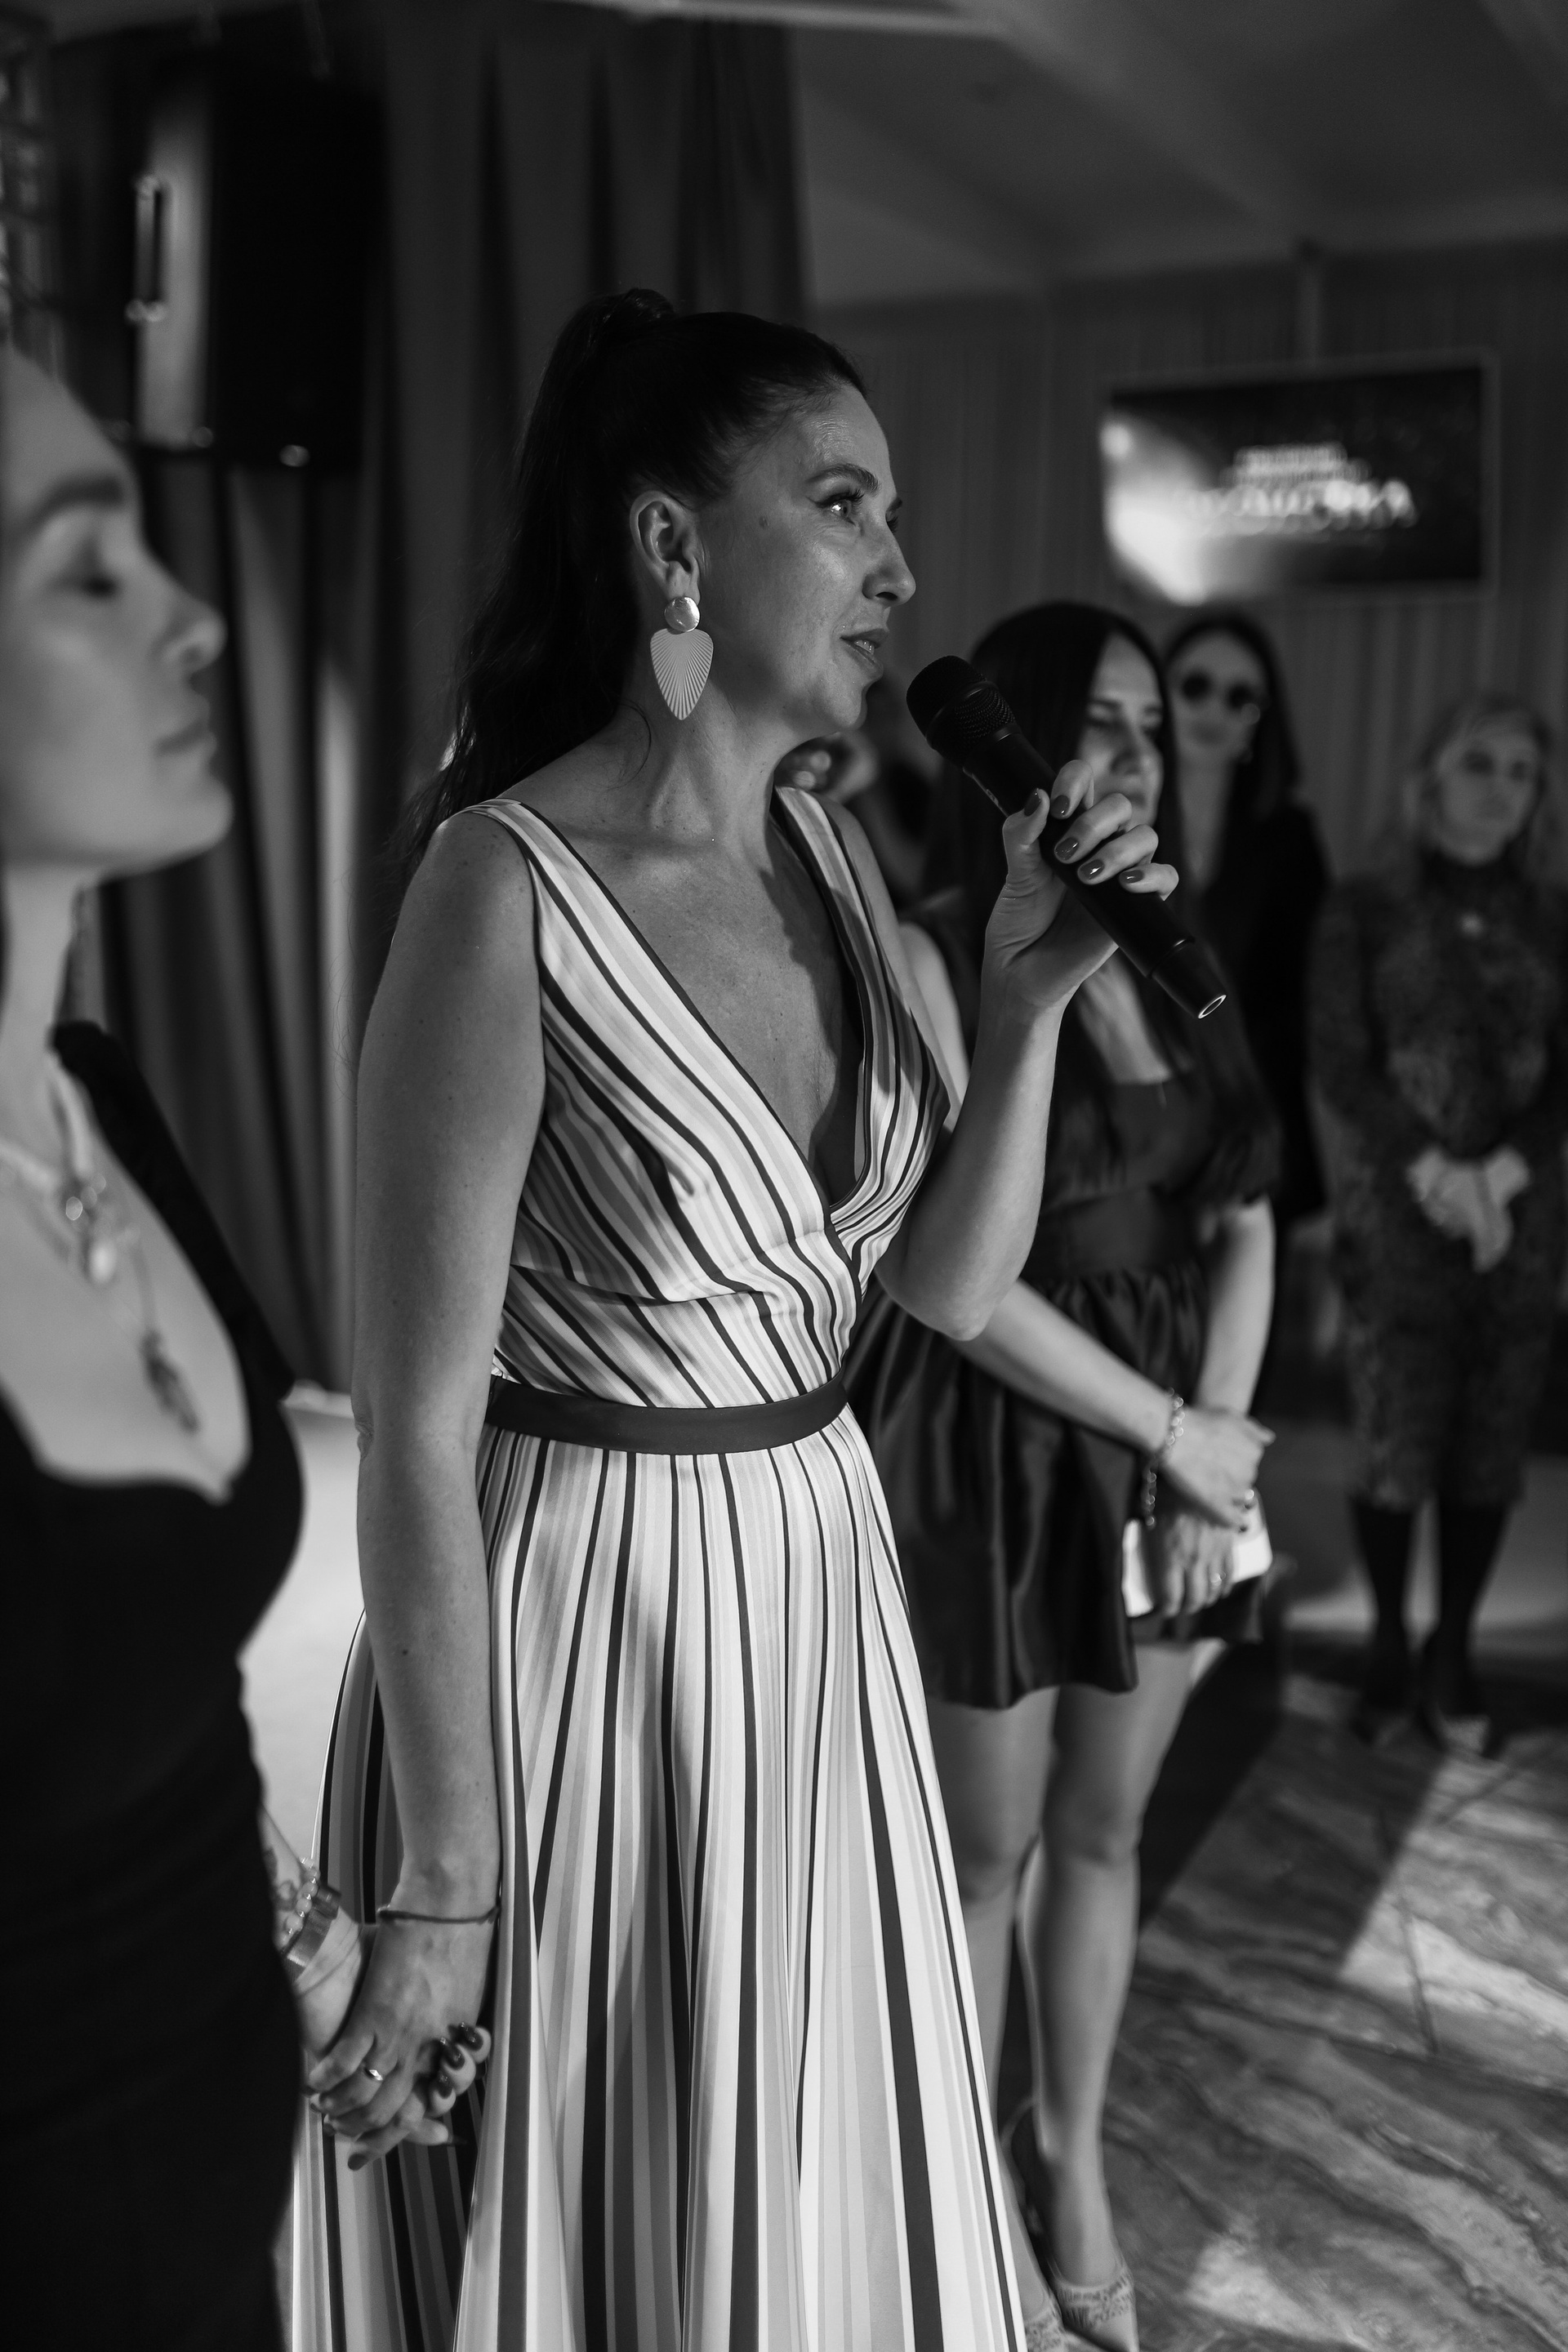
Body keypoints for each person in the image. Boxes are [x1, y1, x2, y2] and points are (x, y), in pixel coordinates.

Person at [291, 292, 1174, 2352]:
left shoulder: (830, 856)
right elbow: (415, 1428)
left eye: (893, 514)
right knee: (618, 2204)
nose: (901, 572)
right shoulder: (500, 886)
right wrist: (447, 1871)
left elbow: (942, 1284)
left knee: (795, 2181)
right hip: (582, 1621)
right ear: (674, 548)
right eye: (844, 504)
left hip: (817, 1587)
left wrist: (1033, 997)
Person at [0, 349, 488, 2348]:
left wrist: (323, 1962)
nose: (194, 613)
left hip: (216, 2246)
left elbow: (158, 1701)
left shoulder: (98, 1109)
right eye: (84, 571)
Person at [849, 601, 1278, 2352]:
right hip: (1005, 1435)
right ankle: (955, 2196)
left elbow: (1245, 1209)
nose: (1135, 758)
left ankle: (1068, 2151)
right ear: (1016, 747)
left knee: (1110, 1829)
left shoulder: (1176, 940)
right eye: (1096, 723)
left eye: (1153, 727)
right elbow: (963, 1278)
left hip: (1176, 1443)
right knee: (988, 1849)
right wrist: (1169, 1431)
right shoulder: (942, 953)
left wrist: (1212, 1445)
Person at [1309, 691, 1567, 1753]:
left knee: (1489, 1448)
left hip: (1519, 1224)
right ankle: (1386, 1645)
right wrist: (1436, 1174)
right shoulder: (1364, 906)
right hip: (1397, 1217)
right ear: (1431, 777)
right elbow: (1339, 1058)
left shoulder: (1554, 916)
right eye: (1480, 764)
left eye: (1521, 773)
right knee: (1393, 1444)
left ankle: (1453, 1651)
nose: (1501, 789)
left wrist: (1498, 1174)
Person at [1165, 610, 1327, 1226]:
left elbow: (1306, 996)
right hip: (1136, 1110)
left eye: (1240, 698)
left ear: (1260, 720)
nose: (1215, 709)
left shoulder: (1288, 837)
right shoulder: (1117, 813)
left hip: (1250, 1113)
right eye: (1195, 686)